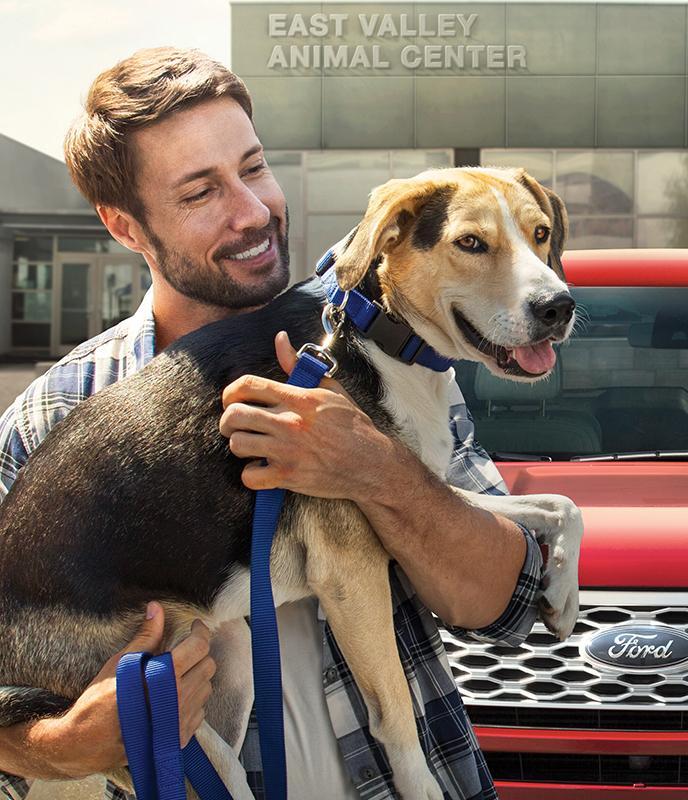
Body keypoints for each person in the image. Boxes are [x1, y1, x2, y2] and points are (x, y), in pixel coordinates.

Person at [0, 47, 543, 800]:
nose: (252, 212)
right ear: (125, 226)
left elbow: (507, 606)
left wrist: (379, 471)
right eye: (201, 193)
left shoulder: (387, 344)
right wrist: (63, 747)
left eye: (253, 168)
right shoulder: (56, 418)